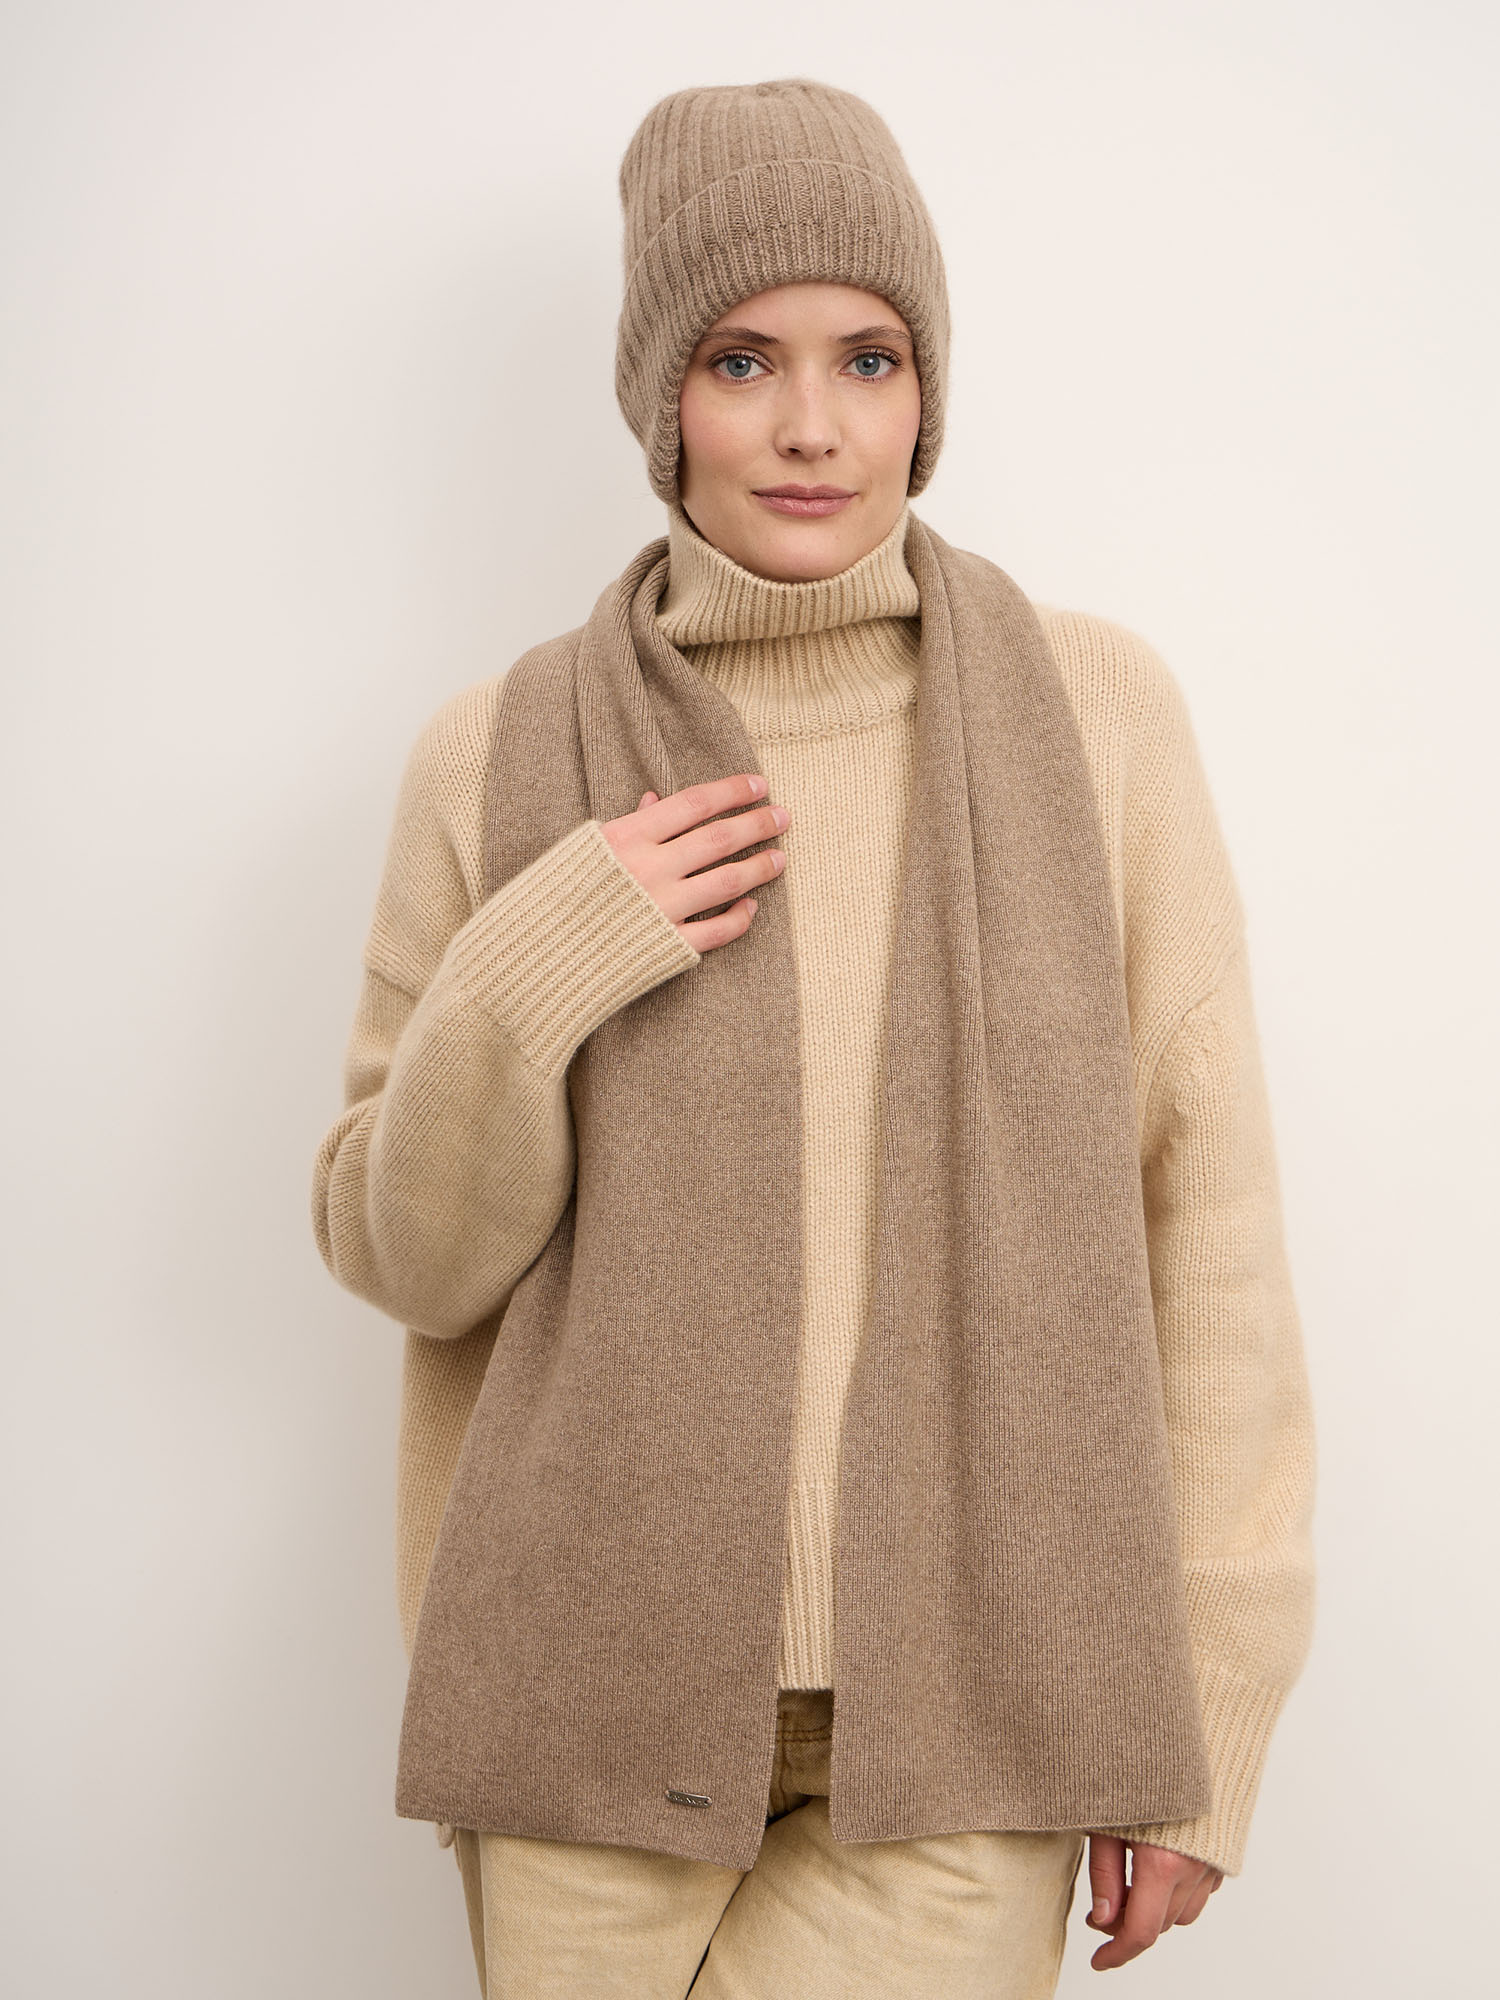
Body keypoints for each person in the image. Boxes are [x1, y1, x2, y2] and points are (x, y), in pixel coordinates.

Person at [311, 76, 1316, 1999]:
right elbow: (405, 1259)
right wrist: (534, 970)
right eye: (739, 360)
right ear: (659, 401)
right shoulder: (497, 754)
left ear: (926, 389)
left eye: (867, 357)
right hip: (583, 1697)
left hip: (985, 1690)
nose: (810, 425)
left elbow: (1214, 1228)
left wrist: (1207, 1704)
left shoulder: (1096, 719)